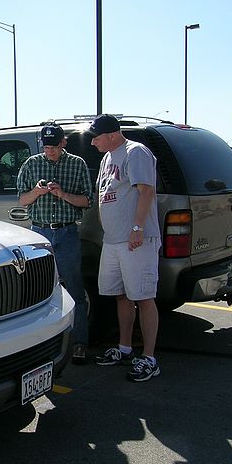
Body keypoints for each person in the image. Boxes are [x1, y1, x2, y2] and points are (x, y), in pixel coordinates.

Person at [88, 114, 161, 382]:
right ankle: (125, 348)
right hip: (113, 240)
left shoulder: (135, 152)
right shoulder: (107, 158)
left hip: (135, 241)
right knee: (121, 296)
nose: (93, 142)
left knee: (144, 297)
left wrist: (137, 228)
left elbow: (146, 191)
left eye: (96, 137)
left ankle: (149, 358)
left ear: (112, 135)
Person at [17, 123, 93, 364]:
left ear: (63, 143)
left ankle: (79, 343)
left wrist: (62, 194)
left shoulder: (77, 164)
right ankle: (35, 346)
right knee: (36, 291)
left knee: (74, 288)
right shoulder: (31, 164)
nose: (49, 150)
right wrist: (37, 191)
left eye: (54, 146)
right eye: (46, 146)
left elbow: (87, 200)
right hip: (39, 234)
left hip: (66, 232)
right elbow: (22, 200)